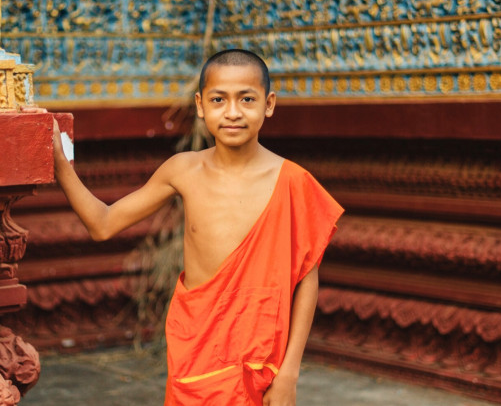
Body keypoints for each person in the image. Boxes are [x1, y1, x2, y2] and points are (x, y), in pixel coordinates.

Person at [51, 49, 343, 405]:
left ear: (268, 104)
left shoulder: (294, 181)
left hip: (261, 355)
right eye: (219, 99)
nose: (233, 112)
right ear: (201, 105)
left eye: (246, 99)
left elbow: (306, 280)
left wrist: (290, 374)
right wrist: (61, 166)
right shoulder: (183, 171)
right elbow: (103, 224)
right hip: (198, 346)